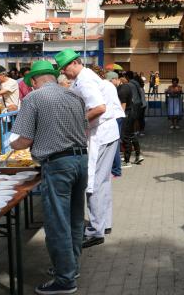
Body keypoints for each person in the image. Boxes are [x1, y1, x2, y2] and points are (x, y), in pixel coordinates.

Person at [10, 60, 88, 294]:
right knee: (75, 219)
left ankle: (65, 280)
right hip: (81, 160)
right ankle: (70, 267)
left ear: (34, 81)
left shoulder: (33, 98)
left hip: (58, 164)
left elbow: (24, 139)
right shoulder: (74, 96)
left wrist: (12, 144)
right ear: (53, 77)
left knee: (57, 223)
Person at [55, 49, 124, 248]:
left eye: (64, 68)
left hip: (100, 135)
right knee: (102, 181)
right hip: (106, 133)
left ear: (76, 63)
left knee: (93, 182)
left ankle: (95, 231)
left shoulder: (85, 80)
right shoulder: (86, 78)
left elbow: (99, 108)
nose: (63, 72)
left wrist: (78, 124)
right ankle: (104, 224)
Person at [106, 72, 127, 177]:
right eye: (116, 79)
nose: (117, 81)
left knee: (114, 144)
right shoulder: (112, 87)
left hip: (116, 117)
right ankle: (116, 169)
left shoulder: (110, 87)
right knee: (115, 143)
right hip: (118, 116)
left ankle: (116, 170)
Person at [123, 71, 144, 165]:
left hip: (130, 110)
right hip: (136, 109)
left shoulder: (129, 85)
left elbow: (129, 98)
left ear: (127, 76)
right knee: (131, 133)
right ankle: (138, 154)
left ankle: (127, 159)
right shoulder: (135, 83)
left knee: (127, 134)